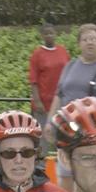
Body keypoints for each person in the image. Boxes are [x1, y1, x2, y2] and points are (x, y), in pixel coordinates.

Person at [45, 24, 96, 192]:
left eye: (93, 39)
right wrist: (50, 122)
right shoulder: (70, 66)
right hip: (69, 130)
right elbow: (59, 95)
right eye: (85, 39)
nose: (90, 43)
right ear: (79, 44)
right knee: (66, 174)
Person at [27, 24, 69, 157]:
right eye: (46, 34)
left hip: (60, 102)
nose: (49, 36)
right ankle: (40, 165)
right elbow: (33, 80)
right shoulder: (37, 54)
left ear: (56, 34)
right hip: (43, 104)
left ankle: (63, 164)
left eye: (51, 33)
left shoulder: (62, 51)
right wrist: (37, 100)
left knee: (61, 134)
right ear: (42, 36)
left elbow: (68, 73)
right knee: (43, 136)